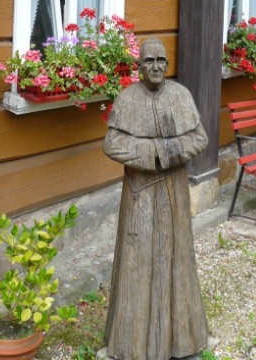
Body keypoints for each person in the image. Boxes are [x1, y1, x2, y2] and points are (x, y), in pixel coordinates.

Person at [103, 39, 209, 360]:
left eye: (161, 60)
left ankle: (181, 340)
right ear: (139, 66)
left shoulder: (181, 96)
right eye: (149, 61)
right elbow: (111, 144)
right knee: (137, 261)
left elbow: (199, 138)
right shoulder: (127, 99)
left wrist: (166, 152)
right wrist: (151, 153)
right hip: (140, 195)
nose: (156, 67)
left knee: (176, 259)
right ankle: (132, 344)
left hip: (174, 192)